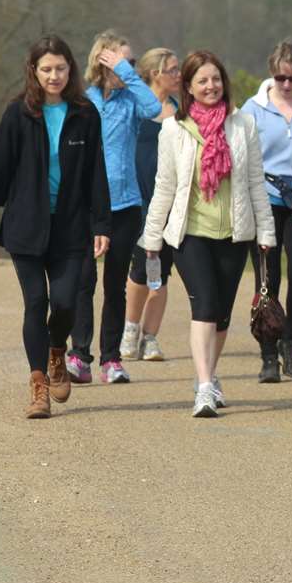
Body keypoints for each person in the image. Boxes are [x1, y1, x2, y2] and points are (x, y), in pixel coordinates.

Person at [0, 35, 111, 418]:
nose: (54, 76)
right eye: (46, 69)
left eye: (61, 68)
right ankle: (39, 385)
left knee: (66, 302)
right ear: (33, 71)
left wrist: (102, 223)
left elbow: (96, 172)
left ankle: (56, 352)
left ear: (71, 69)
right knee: (36, 301)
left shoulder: (85, 112)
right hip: (26, 225)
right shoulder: (19, 113)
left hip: (71, 227)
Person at [140, 50, 277, 418]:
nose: (210, 86)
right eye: (201, 80)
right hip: (191, 233)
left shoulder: (243, 125)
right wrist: (152, 239)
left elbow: (255, 184)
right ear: (188, 86)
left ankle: (210, 375)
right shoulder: (173, 129)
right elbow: (164, 186)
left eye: (215, 79)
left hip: (234, 233)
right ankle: (203, 387)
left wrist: (266, 231)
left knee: (222, 314)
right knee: (204, 306)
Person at [68, 30, 162, 385]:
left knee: (115, 285)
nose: (128, 66)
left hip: (126, 205)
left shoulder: (131, 101)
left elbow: (154, 108)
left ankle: (111, 359)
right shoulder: (84, 101)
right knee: (83, 281)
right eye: (121, 60)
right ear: (102, 61)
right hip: (88, 208)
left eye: (132, 61)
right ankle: (79, 354)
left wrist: (131, 74)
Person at [240, 41, 292, 383]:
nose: (286, 84)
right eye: (279, 77)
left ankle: (291, 338)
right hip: (265, 196)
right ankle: (268, 353)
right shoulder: (253, 109)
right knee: (267, 279)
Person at [120, 47, 180, 363]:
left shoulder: (180, 110)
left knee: (161, 272)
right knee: (141, 267)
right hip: (137, 200)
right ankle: (130, 328)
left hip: (170, 202)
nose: (178, 74)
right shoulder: (134, 108)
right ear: (155, 73)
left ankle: (150, 337)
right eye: (172, 69)